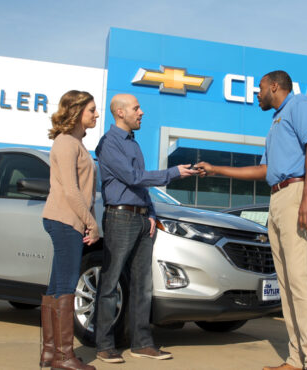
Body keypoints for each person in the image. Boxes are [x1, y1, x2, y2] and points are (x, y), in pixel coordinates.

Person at [195, 71, 307, 370]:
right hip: (279, 197)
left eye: (259, 89)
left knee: (301, 279)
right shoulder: (275, 123)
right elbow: (264, 171)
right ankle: (297, 359)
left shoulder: (300, 105)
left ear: (274, 86)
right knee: (286, 283)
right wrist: (217, 169)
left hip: (299, 191)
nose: (256, 94)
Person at [94, 93, 198, 363]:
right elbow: (132, 177)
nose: (141, 113)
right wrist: (173, 173)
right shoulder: (108, 144)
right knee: (110, 281)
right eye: (136, 108)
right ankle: (104, 345)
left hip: (142, 220)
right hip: (119, 218)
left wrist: (150, 213)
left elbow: (140, 186)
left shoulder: (134, 144)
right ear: (119, 113)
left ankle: (142, 343)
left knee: (143, 285)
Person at [40, 90, 100, 370]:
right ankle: (65, 357)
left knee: (55, 288)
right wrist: (91, 222)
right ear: (76, 111)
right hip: (65, 220)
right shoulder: (66, 143)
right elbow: (71, 190)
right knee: (65, 287)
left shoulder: (75, 142)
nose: (96, 115)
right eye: (91, 110)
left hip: (67, 220)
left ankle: (51, 354)